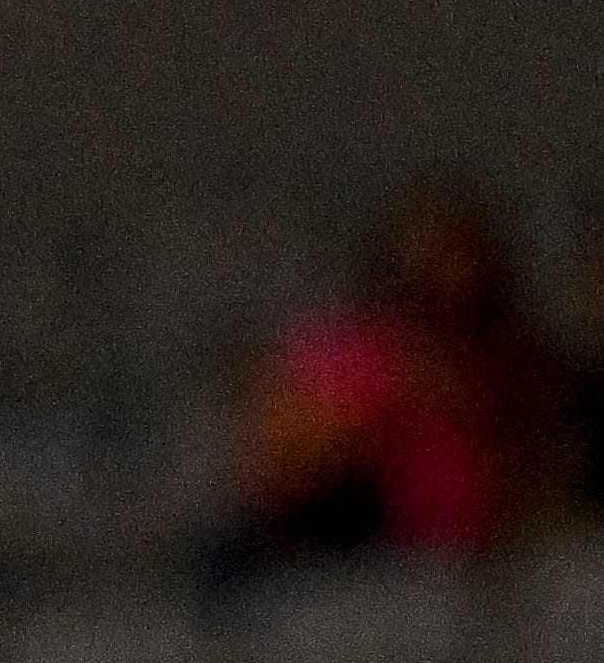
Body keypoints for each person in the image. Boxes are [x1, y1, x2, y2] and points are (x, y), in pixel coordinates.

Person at [229, 182, 570, 565]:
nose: (447, 275)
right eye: (432, 255)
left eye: (459, 256)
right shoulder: (351, 356)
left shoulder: (515, 368)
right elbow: (280, 472)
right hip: (349, 564)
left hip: (464, 564)